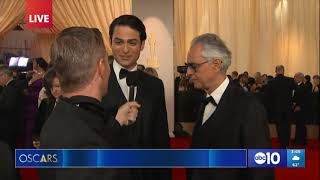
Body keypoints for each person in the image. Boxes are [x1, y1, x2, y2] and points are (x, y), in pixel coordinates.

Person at [39, 27, 140, 180]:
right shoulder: (87, 146)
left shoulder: (61, 115)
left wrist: (117, 122)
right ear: (101, 67)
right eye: (108, 61)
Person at [185, 33, 273, 180]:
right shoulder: (204, 101)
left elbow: (260, 169)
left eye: (193, 66)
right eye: (187, 66)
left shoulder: (249, 107)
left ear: (216, 64)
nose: (188, 72)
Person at [101, 15, 171, 180]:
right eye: (119, 42)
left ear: (142, 45)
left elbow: (160, 140)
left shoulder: (155, 85)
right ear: (110, 42)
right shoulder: (96, 81)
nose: (125, 50)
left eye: (132, 42)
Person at [264, 65, 295, 148]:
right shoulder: (290, 80)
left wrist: (269, 109)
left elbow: (267, 97)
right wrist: (293, 103)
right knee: (287, 126)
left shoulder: (271, 82)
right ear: (283, 71)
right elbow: (296, 92)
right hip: (287, 109)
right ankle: (286, 144)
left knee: (279, 127)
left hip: (276, 110)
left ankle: (281, 143)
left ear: (275, 71)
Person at [32, 68, 62, 149]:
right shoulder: (46, 103)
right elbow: (39, 125)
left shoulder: (72, 105)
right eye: (51, 87)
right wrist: (37, 139)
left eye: (57, 86)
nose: (54, 90)